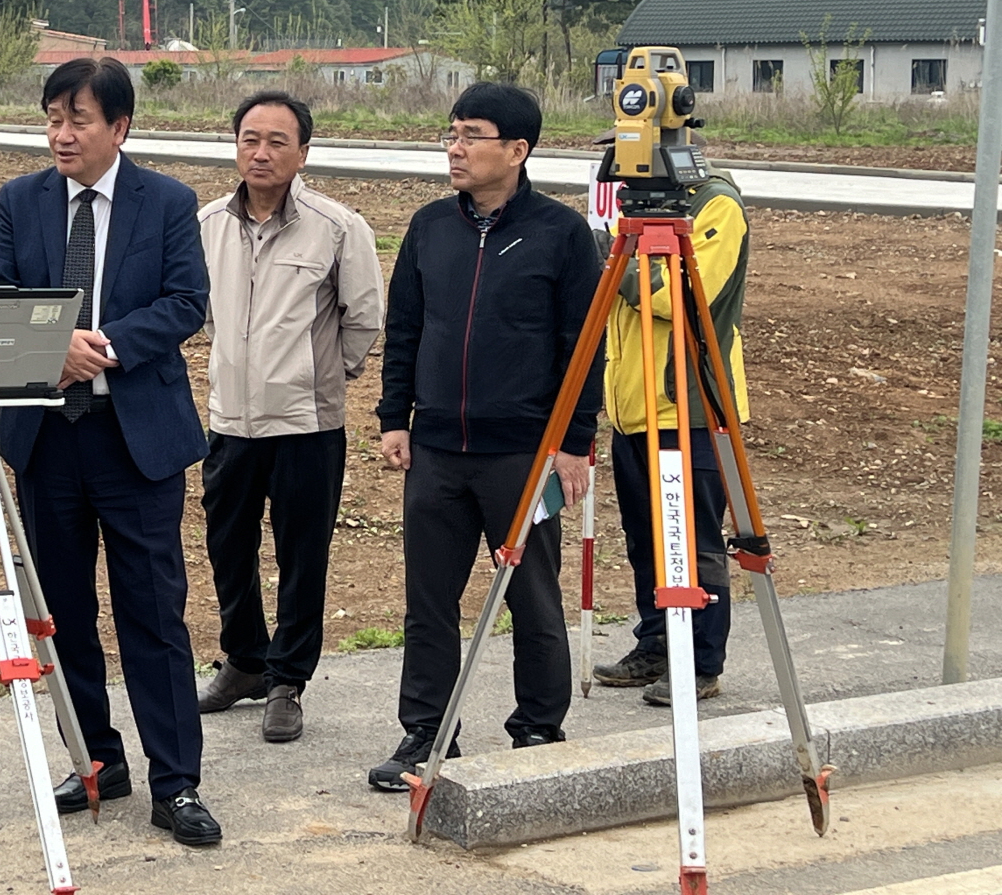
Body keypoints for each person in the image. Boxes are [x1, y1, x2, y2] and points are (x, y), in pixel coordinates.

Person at [0, 56, 222, 847]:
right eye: (52, 118)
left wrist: (105, 344)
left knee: (153, 614)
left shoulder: (168, 202)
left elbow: (186, 302)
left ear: (119, 127)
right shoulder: (20, 201)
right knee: (64, 616)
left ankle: (175, 781)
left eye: (79, 120)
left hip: (137, 443)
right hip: (47, 441)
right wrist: (52, 348)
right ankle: (94, 761)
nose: (62, 135)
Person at [368, 82, 602, 791]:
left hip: (524, 454)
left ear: (518, 149)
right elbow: (404, 327)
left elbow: (583, 347)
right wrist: (392, 417)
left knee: (533, 594)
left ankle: (538, 728)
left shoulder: (561, 235)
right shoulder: (430, 226)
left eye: (472, 134)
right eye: (450, 133)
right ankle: (426, 733)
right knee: (428, 599)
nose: (455, 148)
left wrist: (574, 443)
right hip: (436, 450)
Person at [195, 90, 384, 744]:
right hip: (231, 421)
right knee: (228, 546)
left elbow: (363, 319)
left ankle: (287, 681)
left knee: (303, 556)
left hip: (307, 423)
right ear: (235, 145)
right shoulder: (208, 223)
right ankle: (245, 660)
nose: (262, 151)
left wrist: (327, 376)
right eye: (251, 137)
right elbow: (205, 312)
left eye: (278, 140)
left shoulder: (336, 227)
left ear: (303, 152)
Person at [593, 154, 748, 706]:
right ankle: (656, 645)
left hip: (689, 408)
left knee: (695, 544)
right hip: (632, 407)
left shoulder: (715, 204)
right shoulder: (631, 209)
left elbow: (682, 294)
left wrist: (614, 261)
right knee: (646, 543)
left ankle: (701, 660)